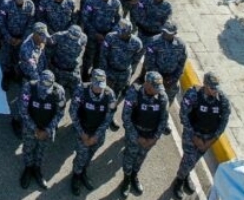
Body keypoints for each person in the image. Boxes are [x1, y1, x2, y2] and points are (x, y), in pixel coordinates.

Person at [172, 72, 231, 198]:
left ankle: (185, 174)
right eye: (212, 88)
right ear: (205, 85)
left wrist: (212, 140)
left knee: (194, 160)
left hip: (208, 138)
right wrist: (194, 137)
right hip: (192, 134)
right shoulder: (193, 95)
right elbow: (183, 115)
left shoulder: (222, 100)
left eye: (216, 88)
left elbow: (224, 121)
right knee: (189, 159)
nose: (215, 91)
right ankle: (179, 181)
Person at [118, 71, 171, 196]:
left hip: (150, 137)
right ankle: (126, 179)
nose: (158, 91)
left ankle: (134, 175)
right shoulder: (134, 93)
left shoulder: (162, 97)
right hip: (134, 134)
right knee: (129, 156)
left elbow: (163, 120)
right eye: (155, 87)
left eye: (159, 87)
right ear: (147, 84)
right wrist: (137, 137)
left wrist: (155, 138)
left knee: (141, 157)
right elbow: (126, 117)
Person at [70, 68, 116, 196]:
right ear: (91, 81)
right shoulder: (81, 90)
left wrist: (96, 136)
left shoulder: (109, 95)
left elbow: (108, 117)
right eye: (96, 86)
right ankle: (76, 176)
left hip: (98, 134)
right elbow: (73, 112)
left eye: (101, 86)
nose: (99, 89)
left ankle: (83, 171)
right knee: (81, 155)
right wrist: (82, 133)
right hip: (83, 131)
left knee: (90, 154)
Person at [18, 69, 65, 190]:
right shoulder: (29, 87)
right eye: (42, 89)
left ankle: (37, 169)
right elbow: (23, 110)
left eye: (46, 90)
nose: (44, 93)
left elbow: (60, 113)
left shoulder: (59, 92)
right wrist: (35, 129)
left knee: (41, 150)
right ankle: (28, 169)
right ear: (38, 81)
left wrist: (48, 130)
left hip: (46, 129)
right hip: (30, 127)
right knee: (28, 149)